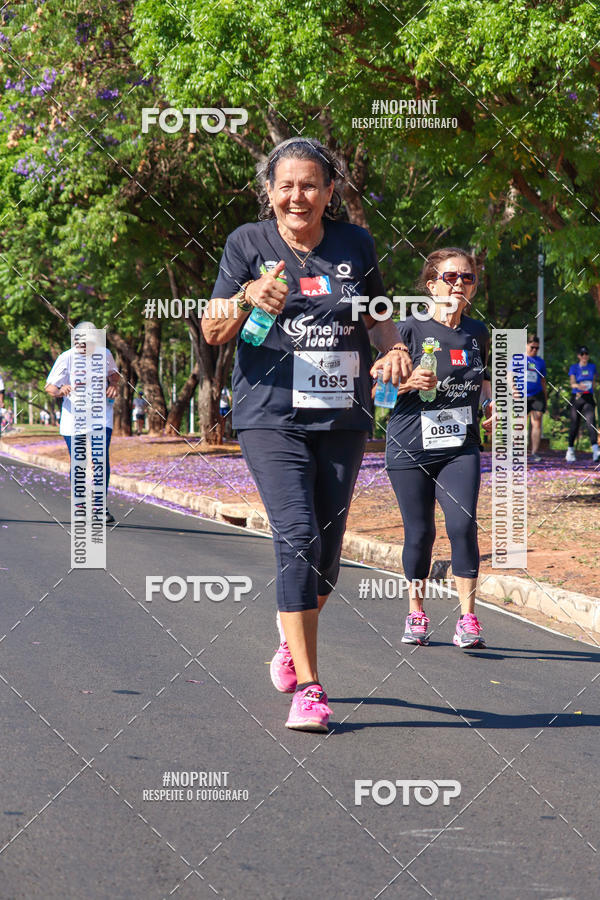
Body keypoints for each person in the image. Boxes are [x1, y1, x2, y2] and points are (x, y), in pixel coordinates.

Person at [203, 137, 410, 732]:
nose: (298, 196)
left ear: (329, 192)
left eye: (311, 185)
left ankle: (291, 643)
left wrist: (394, 347)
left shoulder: (354, 243)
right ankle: (312, 689)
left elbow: (376, 314)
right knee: (295, 538)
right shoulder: (248, 242)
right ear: (269, 192)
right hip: (269, 414)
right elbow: (215, 330)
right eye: (286, 185)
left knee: (325, 558)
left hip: (341, 414)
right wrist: (247, 297)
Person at [373, 248, 493, 651]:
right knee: (420, 533)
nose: (459, 284)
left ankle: (468, 619)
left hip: (461, 446)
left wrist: (493, 406)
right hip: (409, 447)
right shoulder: (407, 331)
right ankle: (416, 612)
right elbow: (376, 393)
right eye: (450, 277)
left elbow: (482, 381)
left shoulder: (477, 333)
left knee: (462, 525)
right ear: (432, 285)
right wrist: (406, 384)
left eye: (467, 278)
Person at [45, 322, 120, 523]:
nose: (86, 347)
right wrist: (61, 391)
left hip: (100, 416)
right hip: (74, 418)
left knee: (100, 459)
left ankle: (99, 507)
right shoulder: (66, 357)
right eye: (82, 343)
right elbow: (50, 387)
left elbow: (114, 374)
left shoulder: (104, 354)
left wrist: (113, 384)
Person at [566, 346, 599, 462]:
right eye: (582, 354)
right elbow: (572, 383)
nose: (585, 356)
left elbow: (594, 382)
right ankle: (570, 450)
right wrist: (578, 387)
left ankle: (595, 450)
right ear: (579, 356)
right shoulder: (574, 367)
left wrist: (590, 389)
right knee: (575, 424)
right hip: (577, 398)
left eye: (586, 354)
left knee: (591, 422)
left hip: (588, 398)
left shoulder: (592, 367)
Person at [525, 334, 547, 463]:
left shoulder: (540, 362)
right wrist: (513, 390)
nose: (534, 350)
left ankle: (534, 452)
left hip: (537, 394)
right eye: (532, 347)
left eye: (537, 348)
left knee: (537, 422)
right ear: (526, 345)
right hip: (521, 396)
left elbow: (543, 381)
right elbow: (509, 376)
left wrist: (545, 398)